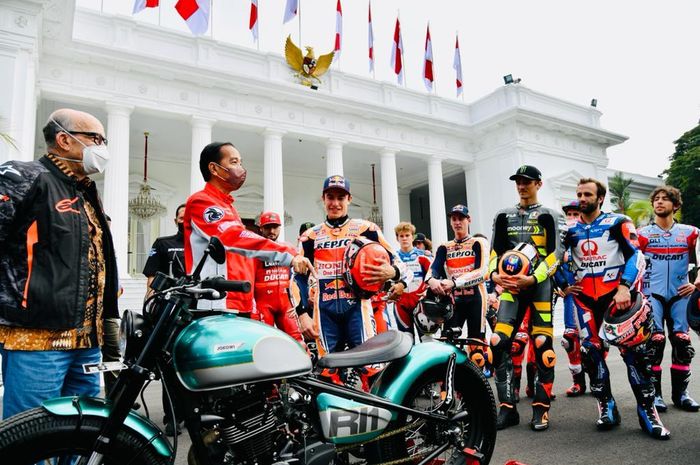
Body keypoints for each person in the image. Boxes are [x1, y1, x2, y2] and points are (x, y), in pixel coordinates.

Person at [0, 109, 119, 419]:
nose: (102, 147)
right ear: (64, 140)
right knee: (29, 435)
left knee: (83, 433)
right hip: (37, 340)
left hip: (88, 342)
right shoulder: (24, 177)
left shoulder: (86, 193)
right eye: (96, 138)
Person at [565, 177, 669, 439]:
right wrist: (564, 284)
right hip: (585, 301)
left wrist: (624, 287)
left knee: (636, 354)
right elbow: (557, 261)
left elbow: (636, 254)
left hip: (617, 299)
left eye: (588, 194)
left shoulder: (618, 222)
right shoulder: (570, 231)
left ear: (600, 198)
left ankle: (648, 414)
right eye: (579, 194)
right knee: (591, 354)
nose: (582, 198)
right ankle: (606, 406)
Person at [297, 175, 408, 389]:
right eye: (330, 197)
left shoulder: (366, 228)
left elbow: (399, 263)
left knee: (372, 368)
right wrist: (302, 314)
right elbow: (298, 278)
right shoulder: (310, 236)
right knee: (327, 373)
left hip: (358, 309)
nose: (335, 203)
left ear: (349, 199)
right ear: (323, 198)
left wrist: (392, 271)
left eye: (341, 197)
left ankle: (382, 418)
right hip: (324, 313)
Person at [184, 142, 312, 315]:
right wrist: (288, 253)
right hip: (214, 303)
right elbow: (232, 237)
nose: (241, 169)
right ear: (214, 168)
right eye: (234, 162)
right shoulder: (202, 202)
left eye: (241, 163)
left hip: (239, 303)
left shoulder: (228, 207)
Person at [488, 165, 563, 432]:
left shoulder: (550, 215)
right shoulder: (503, 215)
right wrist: (495, 275)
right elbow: (495, 250)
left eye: (527, 182)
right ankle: (507, 408)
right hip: (510, 287)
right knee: (498, 342)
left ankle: (541, 409)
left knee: (542, 344)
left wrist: (533, 278)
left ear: (539, 184)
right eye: (519, 181)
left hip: (539, 285)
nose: (522, 186)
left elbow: (556, 254)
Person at [638, 186, 700, 412]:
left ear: (675, 205)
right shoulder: (642, 234)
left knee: (682, 342)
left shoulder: (691, 232)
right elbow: (632, 264)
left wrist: (696, 281)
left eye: (665, 199)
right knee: (654, 342)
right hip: (650, 294)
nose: (660, 202)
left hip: (680, 294)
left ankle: (681, 394)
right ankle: (655, 395)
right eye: (656, 199)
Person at [142, 205, 187, 435]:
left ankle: (194, 414)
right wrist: (150, 307)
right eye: (181, 216)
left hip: (197, 313)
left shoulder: (205, 245)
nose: (184, 219)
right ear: (176, 219)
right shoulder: (163, 243)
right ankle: (172, 416)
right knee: (169, 366)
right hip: (169, 312)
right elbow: (151, 278)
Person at [426, 205, 490, 367]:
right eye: (453, 219)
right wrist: (433, 281)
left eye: (461, 218)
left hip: (476, 299)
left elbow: (482, 272)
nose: (457, 222)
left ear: (469, 220)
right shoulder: (444, 247)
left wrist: (454, 282)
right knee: (448, 345)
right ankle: (450, 388)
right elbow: (432, 270)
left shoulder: (478, 242)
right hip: (454, 301)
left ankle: (477, 386)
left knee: (476, 348)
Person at [556, 200, 589, 397]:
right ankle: (578, 381)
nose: (572, 218)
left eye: (576, 214)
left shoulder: (589, 236)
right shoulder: (560, 241)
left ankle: (596, 377)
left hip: (593, 295)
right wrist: (562, 286)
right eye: (569, 214)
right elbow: (552, 265)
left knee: (596, 341)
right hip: (571, 296)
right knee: (569, 338)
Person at [254, 211, 304, 342]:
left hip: (286, 304)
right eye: (267, 227)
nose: (272, 231)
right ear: (261, 228)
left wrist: (300, 306)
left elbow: (299, 278)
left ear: (280, 227)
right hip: (263, 305)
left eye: (275, 227)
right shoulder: (254, 250)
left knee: (297, 341)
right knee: (264, 341)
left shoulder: (289, 248)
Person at [393, 222, 432, 332]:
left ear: (413, 237)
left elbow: (433, 275)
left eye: (407, 235)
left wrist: (428, 292)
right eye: (401, 236)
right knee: (406, 338)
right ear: (397, 238)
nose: (404, 239)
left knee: (425, 337)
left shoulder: (423, 255)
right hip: (401, 302)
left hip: (420, 300)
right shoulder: (393, 257)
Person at [143, 204, 187, 296]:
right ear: (176, 221)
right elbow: (152, 275)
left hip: (199, 299)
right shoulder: (162, 243)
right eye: (182, 218)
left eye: (189, 218)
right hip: (169, 298)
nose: (185, 222)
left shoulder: (206, 245)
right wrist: (150, 299)